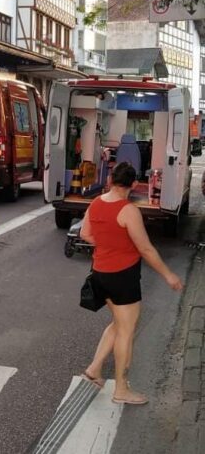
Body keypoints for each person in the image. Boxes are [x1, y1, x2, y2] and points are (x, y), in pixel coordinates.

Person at [80, 162, 183, 405]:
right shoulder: (128, 211)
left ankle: (94, 370)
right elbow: (145, 248)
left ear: (110, 180)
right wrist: (169, 275)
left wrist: (107, 245)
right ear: (133, 184)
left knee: (117, 323)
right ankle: (122, 390)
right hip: (122, 276)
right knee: (126, 331)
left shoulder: (94, 203)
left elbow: (85, 234)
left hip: (99, 273)